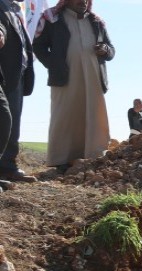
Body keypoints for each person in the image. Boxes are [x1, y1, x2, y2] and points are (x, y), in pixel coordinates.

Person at [32, 0, 114, 173]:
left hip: (93, 76)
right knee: (65, 114)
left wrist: (105, 49)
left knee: (94, 113)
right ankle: (61, 159)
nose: (83, 2)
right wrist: (53, 65)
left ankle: (95, 155)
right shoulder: (52, 18)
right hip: (64, 75)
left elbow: (112, 50)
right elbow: (38, 46)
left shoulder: (96, 21)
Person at [0, 0, 36, 183]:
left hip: (18, 75)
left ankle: (7, 167)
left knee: (12, 122)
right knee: (4, 119)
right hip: (5, 74)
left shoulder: (15, 10)